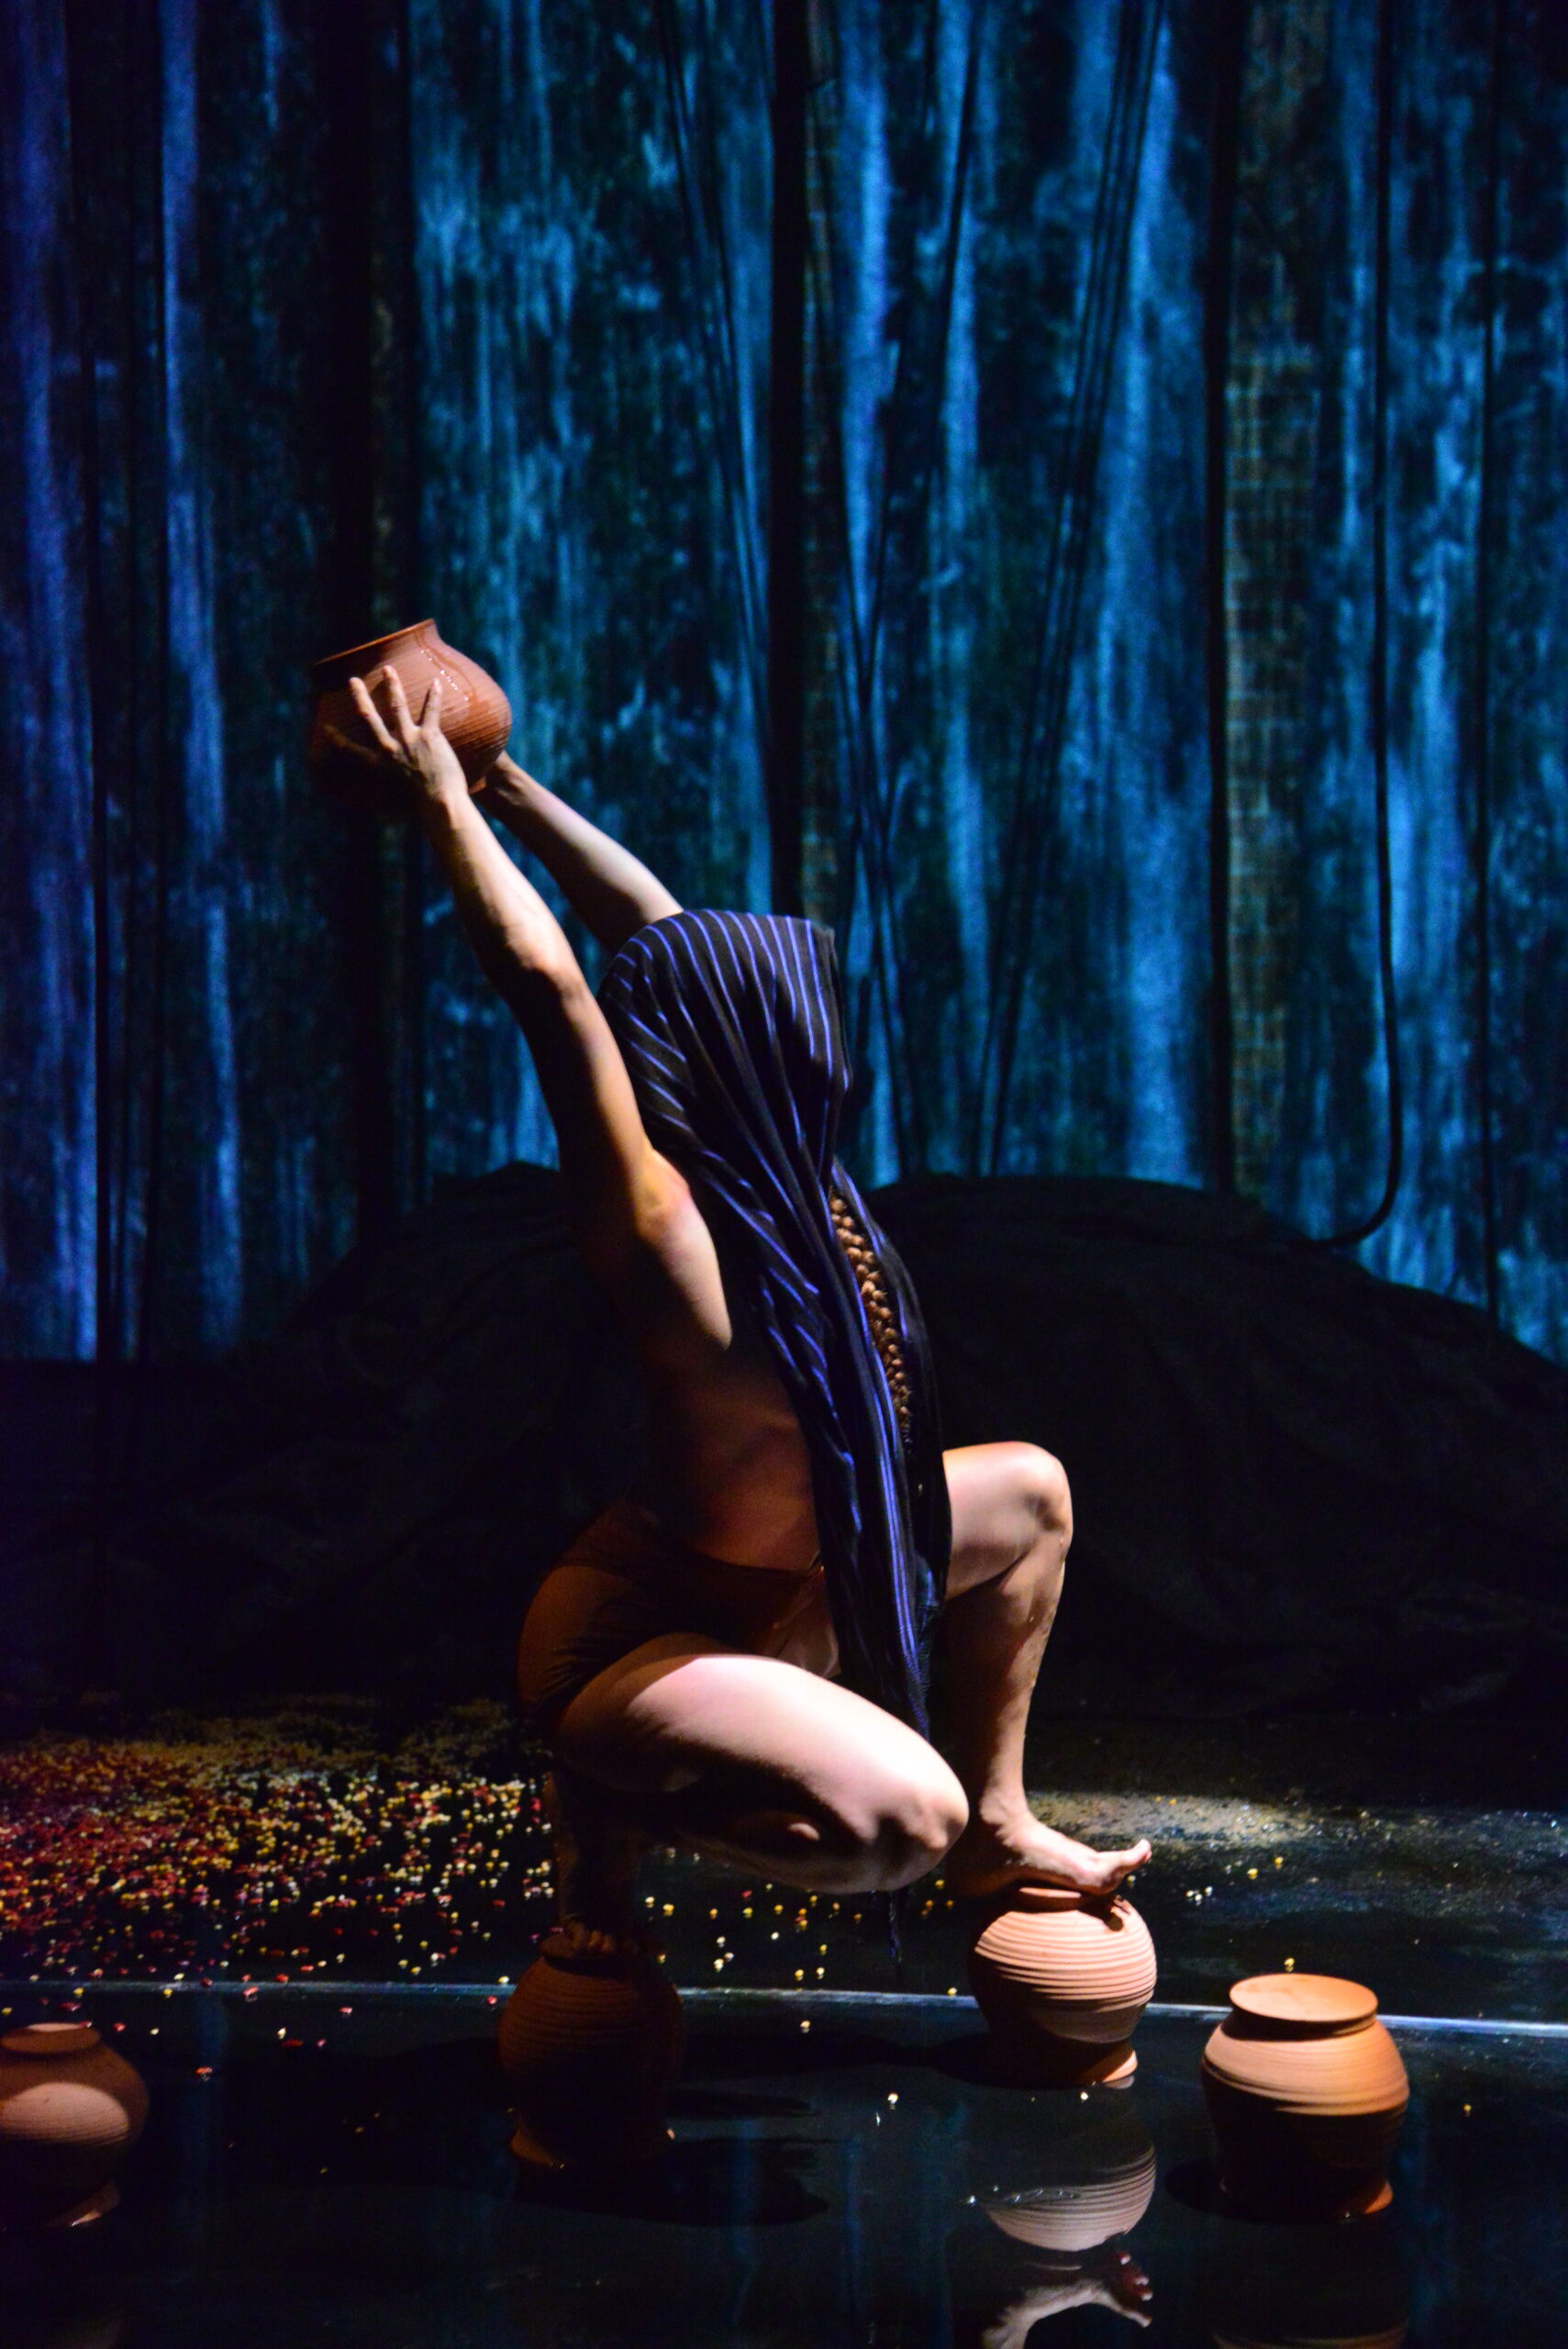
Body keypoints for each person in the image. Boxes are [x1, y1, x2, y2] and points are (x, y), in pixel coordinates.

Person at [344, 666, 1151, 1951]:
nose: (820, 1032)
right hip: (646, 1652)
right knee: (900, 1828)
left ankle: (1002, 1827)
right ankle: (611, 1809)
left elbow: (651, 926)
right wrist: (448, 809)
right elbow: (556, 993)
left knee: (1032, 1493)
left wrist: (509, 786)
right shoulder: (666, 1225)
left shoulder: (799, 1187)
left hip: (797, 1592)